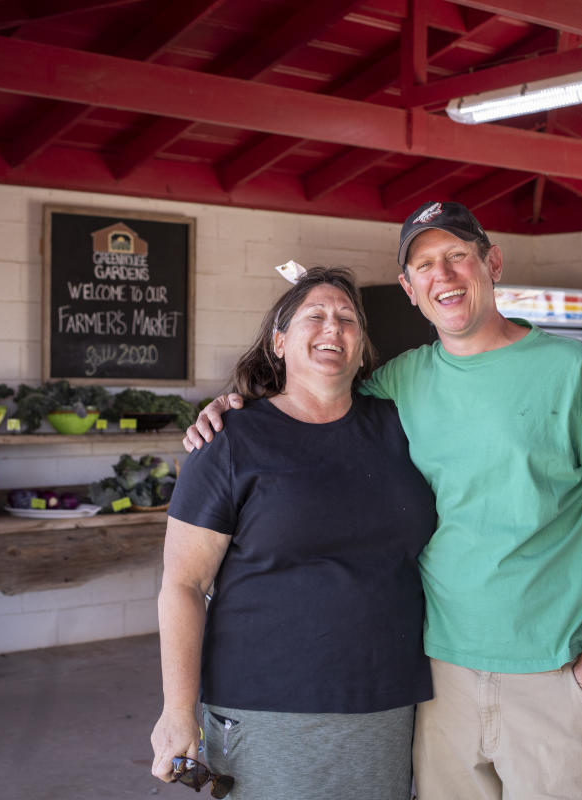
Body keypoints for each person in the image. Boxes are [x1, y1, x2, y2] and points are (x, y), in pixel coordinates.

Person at [185, 201, 582, 799]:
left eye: (458, 255)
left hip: (552, 670)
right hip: (438, 673)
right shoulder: (399, 383)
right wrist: (233, 406)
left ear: (492, 263)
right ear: (410, 290)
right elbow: (313, 392)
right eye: (426, 264)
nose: (445, 275)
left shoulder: (574, 369)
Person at [149, 267, 437, 799]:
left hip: (386, 697)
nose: (334, 327)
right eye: (316, 316)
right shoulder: (229, 441)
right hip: (264, 701)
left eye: (348, 318)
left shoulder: (402, 427)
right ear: (279, 341)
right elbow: (182, 586)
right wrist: (176, 711)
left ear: (361, 346)